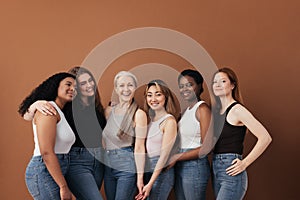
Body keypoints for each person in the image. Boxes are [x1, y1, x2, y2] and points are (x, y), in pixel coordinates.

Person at [23, 66, 106, 200]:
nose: (89, 85)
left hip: (95, 160)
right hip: (74, 161)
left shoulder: (97, 108)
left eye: (91, 81)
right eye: (82, 83)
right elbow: (29, 117)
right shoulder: (65, 107)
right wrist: (35, 105)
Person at [211, 67, 272, 199]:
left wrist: (244, 163)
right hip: (216, 168)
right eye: (215, 82)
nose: (217, 85)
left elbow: (265, 137)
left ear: (232, 85)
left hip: (230, 168)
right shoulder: (216, 112)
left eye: (222, 81)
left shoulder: (237, 110)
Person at [18, 72, 76, 200]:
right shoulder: (48, 109)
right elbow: (47, 152)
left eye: (76, 87)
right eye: (68, 84)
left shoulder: (61, 111)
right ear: (56, 86)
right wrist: (63, 186)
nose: (73, 89)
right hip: (44, 171)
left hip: (56, 170)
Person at [102, 71, 147, 200]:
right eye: (121, 86)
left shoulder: (139, 114)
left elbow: (139, 148)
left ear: (135, 88)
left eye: (130, 85)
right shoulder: (109, 111)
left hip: (126, 165)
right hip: (108, 165)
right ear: (116, 89)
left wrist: (140, 178)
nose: (126, 89)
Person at [167, 69, 211, 200]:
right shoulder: (186, 111)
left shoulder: (202, 109)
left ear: (199, 86)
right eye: (181, 86)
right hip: (180, 165)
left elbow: (206, 148)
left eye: (189, 84)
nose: (185, 89)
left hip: (194, 167)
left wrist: (176, 157)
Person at [136, 79, 178, 200]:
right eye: (149, 95)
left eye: (158, 94)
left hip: (161, 172)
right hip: (147, 167)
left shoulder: (169, 121)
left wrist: (150, 184)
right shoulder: (149, 120)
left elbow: (164, 157)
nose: (153, 99)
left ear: (166, 96)